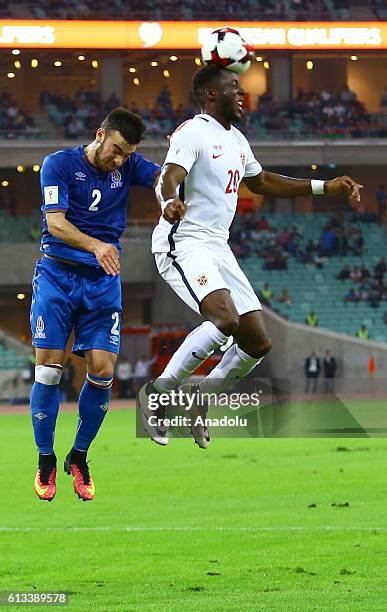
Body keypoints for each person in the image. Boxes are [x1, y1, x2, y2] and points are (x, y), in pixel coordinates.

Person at [138, 64, 363, 448]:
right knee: (223, 319)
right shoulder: (194, 132)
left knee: (258, 342)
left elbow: (262, 182)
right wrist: (169, 203)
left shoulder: (238, 140)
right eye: (233, 88)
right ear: (211, 94)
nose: (242, 95)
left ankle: (201, 401)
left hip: (217, 246)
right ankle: (158, 399)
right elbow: (168, 176)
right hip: (184, 241)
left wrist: (327, 186)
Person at [30, 107, 160, 502]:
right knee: (49, 371)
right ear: (100, 134)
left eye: (127, 154)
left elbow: (162, 179)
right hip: (57, 274)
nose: (120, 161)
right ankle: (46, 459)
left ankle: (79, 457)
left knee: (103, 372)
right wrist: (95, 245)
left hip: (102, 283)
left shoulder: (129, 163)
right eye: (117, 150)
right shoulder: (59, 165)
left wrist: (172, 192)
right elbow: (56, 223)